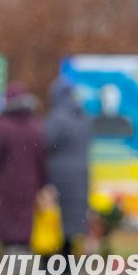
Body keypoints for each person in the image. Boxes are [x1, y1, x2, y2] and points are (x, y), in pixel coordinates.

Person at [0, 83, 47, 252]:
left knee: (6, 228)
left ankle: (10, 266)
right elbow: (42, 158)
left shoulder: (2, 126)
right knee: (23, 226)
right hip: (28, 185)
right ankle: (21, 265)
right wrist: (41, 182)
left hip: (3, 186)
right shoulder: (35, 126)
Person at [44, 77, 91, 257]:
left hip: (59, 175)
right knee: (73, 220)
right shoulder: (83, 117)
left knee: (57, 218)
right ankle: (68, 261)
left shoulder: (57, 118)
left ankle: (52, 261)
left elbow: (45, 143)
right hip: (81, 174)